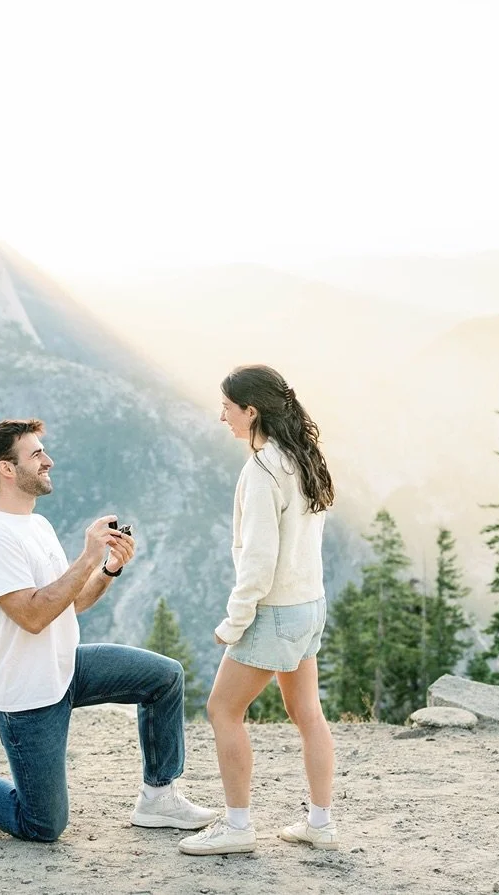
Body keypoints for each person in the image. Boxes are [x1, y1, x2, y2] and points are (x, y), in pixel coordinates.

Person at [0, 418, 218, 842]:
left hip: (67, 667)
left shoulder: (37, 525)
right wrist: (88, 557)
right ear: (8, 469)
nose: (48, 461)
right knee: (43, 825)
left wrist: (109, 567)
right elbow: (33, 616)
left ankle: (158, 796)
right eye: (36, 454)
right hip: (27, 693)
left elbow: (69, 604)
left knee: (164, 677)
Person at [178, 365, 338, 856]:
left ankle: (238, 827)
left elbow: (258, 560)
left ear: (252, 411)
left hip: (272, 611)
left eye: (228, 407)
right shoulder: (303, 457)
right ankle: (321, 823)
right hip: (308, 605)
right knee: (307, 712)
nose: (222, 416)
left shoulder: (263, 469)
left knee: (223, 709)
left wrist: (234, 621)